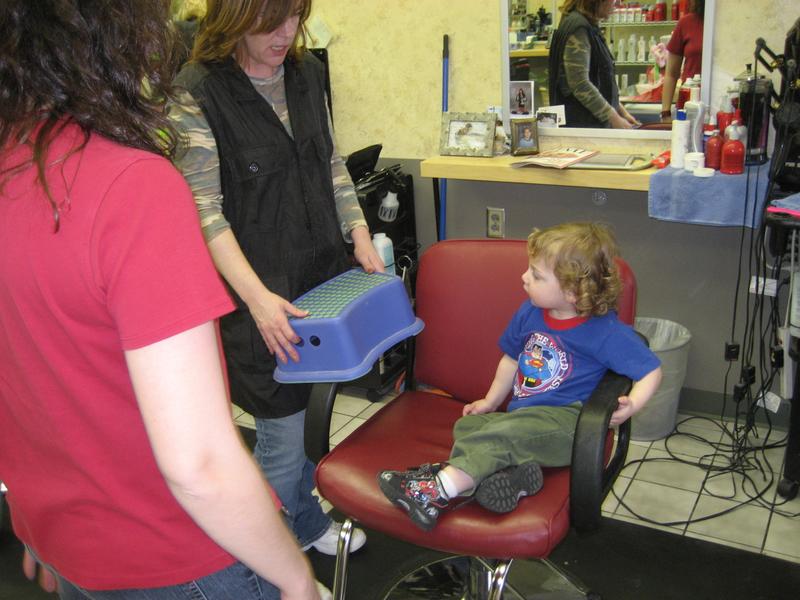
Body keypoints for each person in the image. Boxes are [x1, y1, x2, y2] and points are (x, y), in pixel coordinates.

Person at [0, 1, 319, 599]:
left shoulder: (15, 165)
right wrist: (296, 577)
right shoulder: (133, 186)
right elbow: (199, 465)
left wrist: (33, 521)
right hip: (176, 557)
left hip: (67, 542)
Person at [167, 0, 379, 565]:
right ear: (234, 17)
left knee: (311, 422)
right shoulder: (197, 91)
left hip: (322, 282)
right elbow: (203, 210)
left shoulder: (306, 74)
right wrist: (257, 300)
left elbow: (330, 161)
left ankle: (303, 523)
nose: (286, 34)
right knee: (282, 441)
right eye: (269, 21)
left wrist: (358, 231)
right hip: (260, 296)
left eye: (295, 18)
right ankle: (263, 563)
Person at [378, 222, 662, 531]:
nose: (524, 277)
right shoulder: (530, 312)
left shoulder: (604, 331)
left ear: (572, 292)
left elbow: (651, 369)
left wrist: (632, 405)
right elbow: (511, 359)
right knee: (468, 426)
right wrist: (490, 401)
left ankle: (435, 491)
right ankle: (515, 479)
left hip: (569, 425)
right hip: (524, 420)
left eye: (536, 275)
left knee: (502, 436)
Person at [548, 0, 640, 129]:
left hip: (589, 124)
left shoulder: (586, 26)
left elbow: (601, 82)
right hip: (582, 125)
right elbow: (580, 84)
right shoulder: (578, 28)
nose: (617, 3)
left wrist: (621, 112)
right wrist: (613, 117)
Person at [660, 0, 705, 122]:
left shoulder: (725, 25)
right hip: (688, 104)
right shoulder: (686, 23)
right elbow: (671, 74)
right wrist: (665, 113)